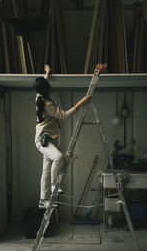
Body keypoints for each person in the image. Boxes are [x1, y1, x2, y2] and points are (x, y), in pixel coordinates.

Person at [34, 64, 91, 209]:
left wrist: (47, 73)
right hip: (43, 141)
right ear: (47, 90)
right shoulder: (47, 104)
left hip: (47, 139)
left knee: (46, 169)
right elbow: (65, 115)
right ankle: (54, 185)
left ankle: (43, 200)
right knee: (59, 157)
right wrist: (80, 103)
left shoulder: (39, 96)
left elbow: (42, 85)